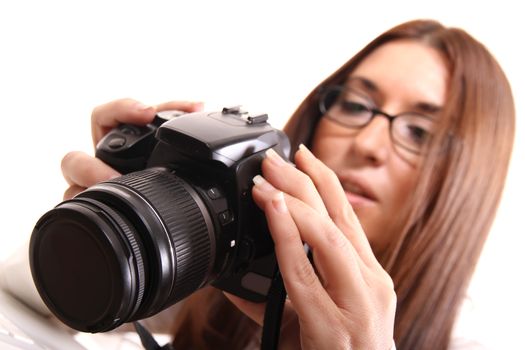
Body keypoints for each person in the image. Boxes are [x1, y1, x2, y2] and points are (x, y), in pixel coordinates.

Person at [59, 19, 515, 349]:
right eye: (356, 106)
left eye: (420, 133)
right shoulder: (221, 267)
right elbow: (38, 316)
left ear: (465, 184)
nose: (369, 144)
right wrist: (117, 212)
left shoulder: (471, 342)